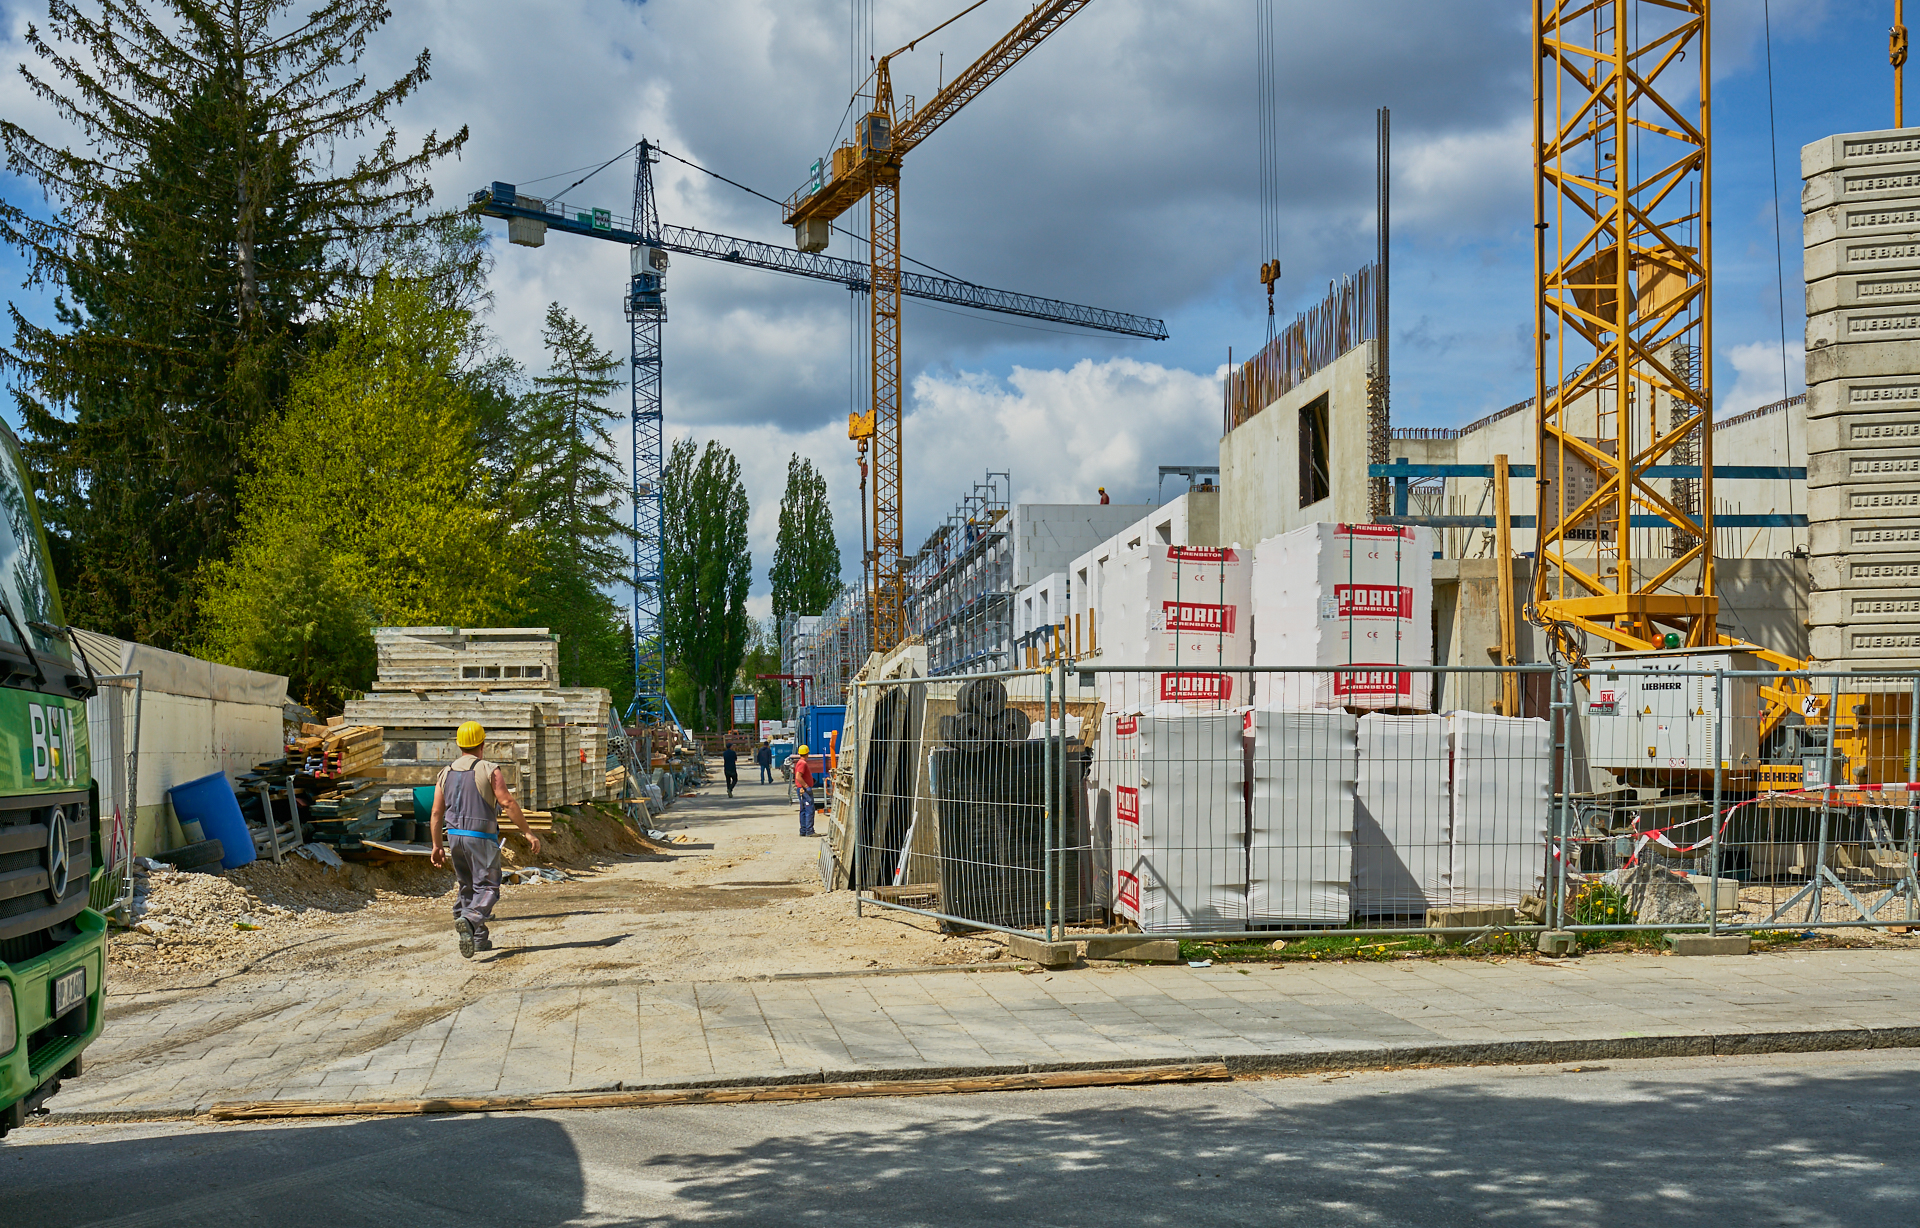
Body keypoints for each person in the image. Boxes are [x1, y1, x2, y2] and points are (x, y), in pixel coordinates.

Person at [429, 721, 541, 958]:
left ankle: (477, 939)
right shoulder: (489, 769)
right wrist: (528, 832)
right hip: (480, 838)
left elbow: (437, 812)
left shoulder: (445, 772)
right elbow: (507, 802)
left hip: (455, 839)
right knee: (489, 886)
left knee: (468, 886)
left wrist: (437, 845)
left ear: (459, 745)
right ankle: (470, 921)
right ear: (483, 743)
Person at [793, 744, 816, 837]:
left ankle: (803, 830)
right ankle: (809, 831)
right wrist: (806, 786)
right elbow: (798, 776)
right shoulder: (803, 763)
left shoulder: (799, 762)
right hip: (804, 790)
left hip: (801, 789)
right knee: (809, 809)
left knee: (803, 810)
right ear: (807, 753)